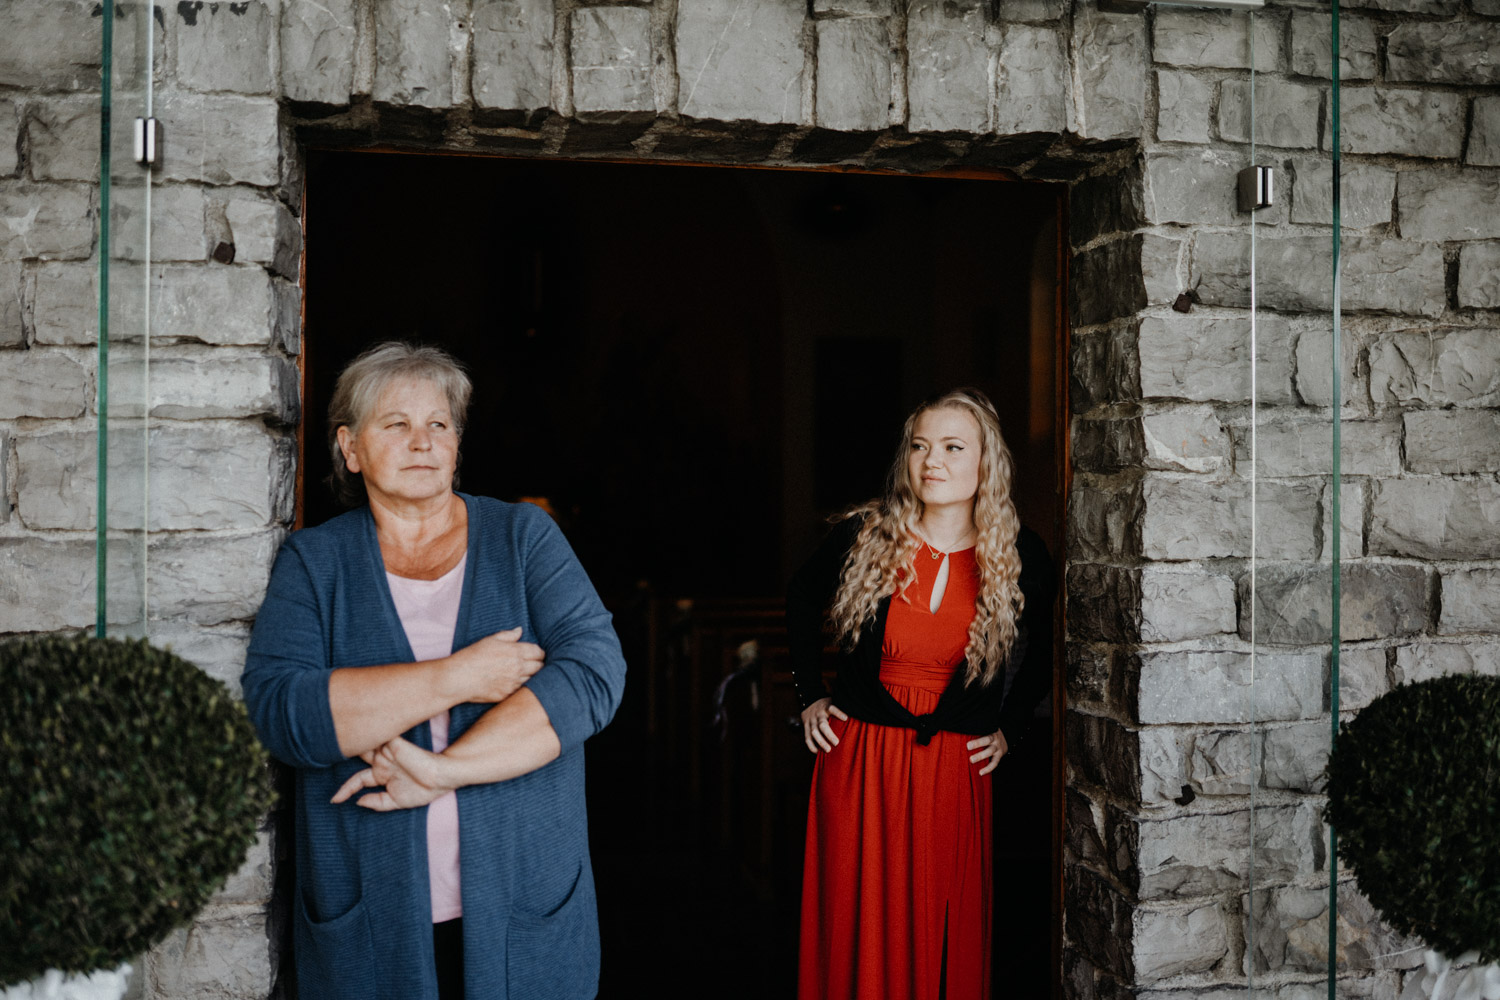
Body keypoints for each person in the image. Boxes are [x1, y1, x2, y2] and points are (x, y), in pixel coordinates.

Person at [242, 342, 626, 1000]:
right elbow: (287, 712)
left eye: (439, 424)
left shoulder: (523, 538)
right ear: (351, 447)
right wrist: (460, 677)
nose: (422, 441)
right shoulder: (316, 563)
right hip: (369, 922)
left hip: (524, 914)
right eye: (396, 424)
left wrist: (442, 774)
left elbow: (594, 675)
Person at [788, 388, 1055, 1000]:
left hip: (951, 775)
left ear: (986, 462)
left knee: (940, 932)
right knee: (857, 934)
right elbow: (801, 598)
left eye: (953, 447)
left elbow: (1048, 650)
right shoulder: (868, 535)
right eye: (920, 446)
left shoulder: (1020, 555)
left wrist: (1013, 725)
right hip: (859, 766)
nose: (931, 460)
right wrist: (809, 694)